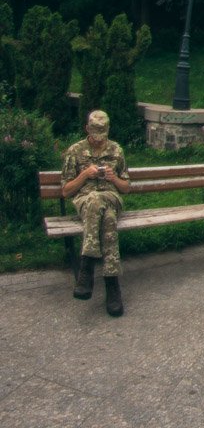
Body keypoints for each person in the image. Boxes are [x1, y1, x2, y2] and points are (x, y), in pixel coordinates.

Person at [61, 110, 131, 317]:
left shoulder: (116, 150)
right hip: (84, 201)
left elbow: (126, 187)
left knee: (99, 199)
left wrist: (113, 178)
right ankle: (112, 288)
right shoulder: (74, 151)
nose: (99, 140)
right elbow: (66, 191)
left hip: (111, 196)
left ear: (108, 131)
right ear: (87, 130)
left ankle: (87, 268)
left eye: (103, 135)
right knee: (106, 216)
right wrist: (85, 174)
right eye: (95, 134)